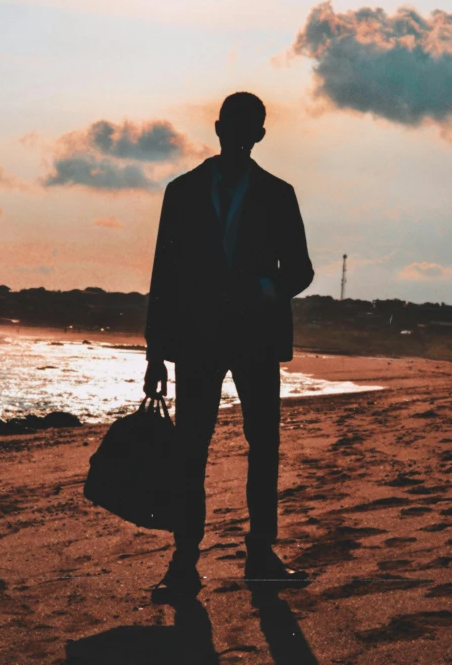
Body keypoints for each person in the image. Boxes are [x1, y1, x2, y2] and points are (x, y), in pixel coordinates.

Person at [144, 92, 314, 596]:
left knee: (263, 448)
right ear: (218, 129)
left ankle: (259, 553)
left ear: (259, 135)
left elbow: (300, 271)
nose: (240, 136)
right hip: (197, 341)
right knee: (190, 450)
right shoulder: (182, 191)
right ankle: (183, 562)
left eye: (249, 128)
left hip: (257, 339)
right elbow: (164, 275)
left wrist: (263, 290)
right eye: (233, 127)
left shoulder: (279, 194)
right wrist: (155, 351)